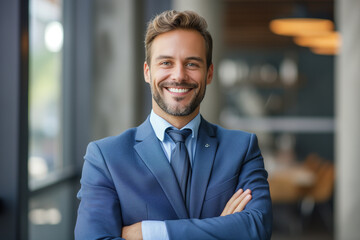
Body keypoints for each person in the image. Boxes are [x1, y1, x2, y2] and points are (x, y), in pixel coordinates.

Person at [75, 10, 272, 240]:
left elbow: (257, 228)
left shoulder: (242, 148)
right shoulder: (105, 158)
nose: (179, 75)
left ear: (209, 74)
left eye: (192, 64)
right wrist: (222, 227)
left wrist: (150, 232)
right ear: (148, 72)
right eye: (166, 62)